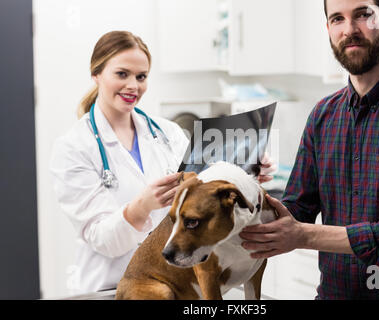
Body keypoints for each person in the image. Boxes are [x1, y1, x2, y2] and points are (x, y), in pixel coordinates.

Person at [239, 0, 379, 300]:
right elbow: (296, 209)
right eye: (337, 19)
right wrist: (245, 190)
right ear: (328, 29)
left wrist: (304, 235)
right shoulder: (323, 114)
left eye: (363, 15)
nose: (349, 30)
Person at [50, 31, 274, 294]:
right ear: (96, 74)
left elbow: (208, 191)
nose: (133, 85)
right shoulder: (73, 148)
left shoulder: (168, 133)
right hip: (109, 288)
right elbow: (101, 239)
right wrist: (142, 207)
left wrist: (246, 173)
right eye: (122, 74)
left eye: (141, 76)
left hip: (177, 284)